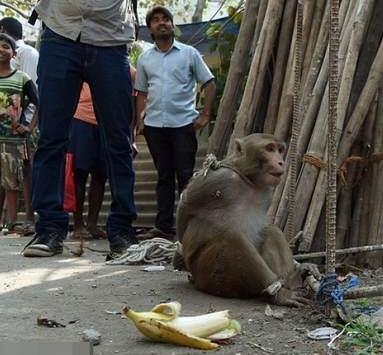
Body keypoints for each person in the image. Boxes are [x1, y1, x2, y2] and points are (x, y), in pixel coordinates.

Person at [23, 0, 137, 258]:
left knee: (118, 141)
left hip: (111, 37)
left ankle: (121, 231)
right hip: (61, 32)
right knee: (52, 138)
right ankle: (49, 229)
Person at [135, 6, 216, 240]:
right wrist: (139, 121)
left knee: (185, 176)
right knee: (164, 176)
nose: (162, 23)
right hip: (154, 126)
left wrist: (205, 114)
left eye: (166, 19)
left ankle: (190, 227)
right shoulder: (144, 58)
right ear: (150, 28)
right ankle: (162, 227)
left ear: (172, 25)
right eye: (156, 20)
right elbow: (140, 91)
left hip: (183, 124)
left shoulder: (189, 53)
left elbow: (209, 83)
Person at [0, 17, 39, 235]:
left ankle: (24, 220)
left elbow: (37, 101)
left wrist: (29, 127)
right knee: (5, 179)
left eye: (6, 46)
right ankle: (7, 222)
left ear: (14, 53)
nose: (1, 50)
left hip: (19, 136)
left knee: (22, 174)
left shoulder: (23, 74)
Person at [70, 83, 107, 240]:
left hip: (106, 120)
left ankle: (92, 224)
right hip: (80, 118)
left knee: (101, 174)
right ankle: (78, 224)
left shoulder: (123, 67)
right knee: (80, 173)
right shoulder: (79, 62)